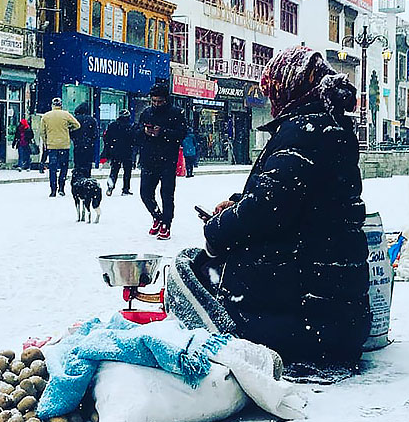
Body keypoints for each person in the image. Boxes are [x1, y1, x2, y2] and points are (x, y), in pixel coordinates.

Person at [201, 47, 370, 371]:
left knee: (192, 270)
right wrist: (239, 203)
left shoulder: (304, 131)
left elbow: (269, 209)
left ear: (289, 87)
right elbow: (300, 200)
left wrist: (216, 229)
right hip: (337, 318)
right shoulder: (329, 128)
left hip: (306, 321)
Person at [136, 80, 187, 240]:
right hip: (148, 158)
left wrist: (163, 132)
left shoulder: (176, 113)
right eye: (154, 101)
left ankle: (166, 223)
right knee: (145, 193)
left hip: (168, 160)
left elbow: (182, 134)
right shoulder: (146, 112)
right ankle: (156, 215)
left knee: (167, 194)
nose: (156, 104)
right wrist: (145, 131)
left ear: (166, 99)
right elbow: (136, 132)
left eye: (160, 101)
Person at [41, 98, 80, 197]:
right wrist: (68, 128)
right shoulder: (66, 114)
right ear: (61, 105)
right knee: (63, 167)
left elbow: (42, 132)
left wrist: (46, 143)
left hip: (52, 145)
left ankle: (53, 190)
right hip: (64, 145)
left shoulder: (46, 116)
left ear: (52, 105)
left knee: (52, 169)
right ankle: (61, 188)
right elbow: (77, 125)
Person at [102, 109, 134, 196]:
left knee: (114, 170)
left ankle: (110, 186)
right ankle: (125, 189)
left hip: (115, 151)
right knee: (127, 171)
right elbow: (133, 139)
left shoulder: (112, 125)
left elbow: (106, 138)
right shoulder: (130, 126)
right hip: (127, 151)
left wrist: (109, 148)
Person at [71, 102, 99, 178]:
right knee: (87, 165)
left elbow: (71, 132)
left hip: (78, 146)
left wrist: (75, 139)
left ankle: (77, 180)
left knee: (78, 165)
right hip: (89, 147)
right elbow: (95, 134)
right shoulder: (92, 120)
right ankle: (86, 181)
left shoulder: (75, 119)